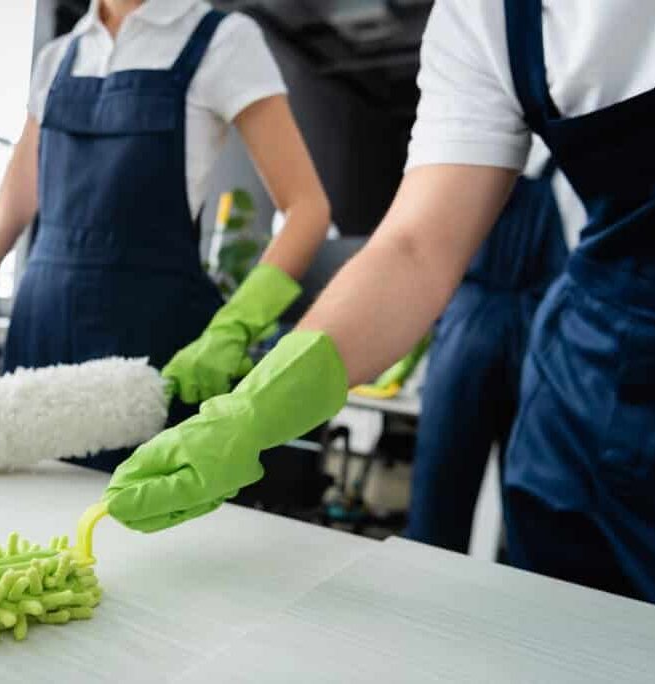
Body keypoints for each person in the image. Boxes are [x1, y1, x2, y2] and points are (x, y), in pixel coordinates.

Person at [104, 0, 655, 602]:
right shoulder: (484, 18)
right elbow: (415, 248)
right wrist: (252, 413)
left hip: (539, 320)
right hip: (593, 382)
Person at [0, 0, 330, 472]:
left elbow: (307, 207)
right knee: (16, 526)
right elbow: (6, 214)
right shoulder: (57, 59)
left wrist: (233, 328)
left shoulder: (222, 40)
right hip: (38, 337)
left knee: (127, 533)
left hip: (149, 350)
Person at [405, 140, 570, 553]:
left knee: (531, 497)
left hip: (508, 325)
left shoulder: (558, 158)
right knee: (444, 486)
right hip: (508, 327)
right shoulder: (480, 148)